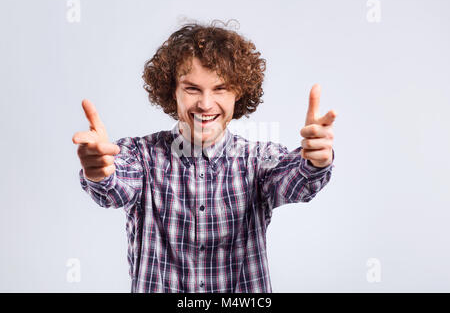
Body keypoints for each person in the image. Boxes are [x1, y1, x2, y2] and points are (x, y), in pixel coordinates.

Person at [72, 20, 337, 293]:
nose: (206, 104)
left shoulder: (258, 159)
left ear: (238, 93)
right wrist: (99, 171)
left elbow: (295, 180)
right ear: (172, 91)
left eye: (220, 88)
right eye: (192, 89)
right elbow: (116, 184)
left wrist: (314, 161)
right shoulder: (142, 157)